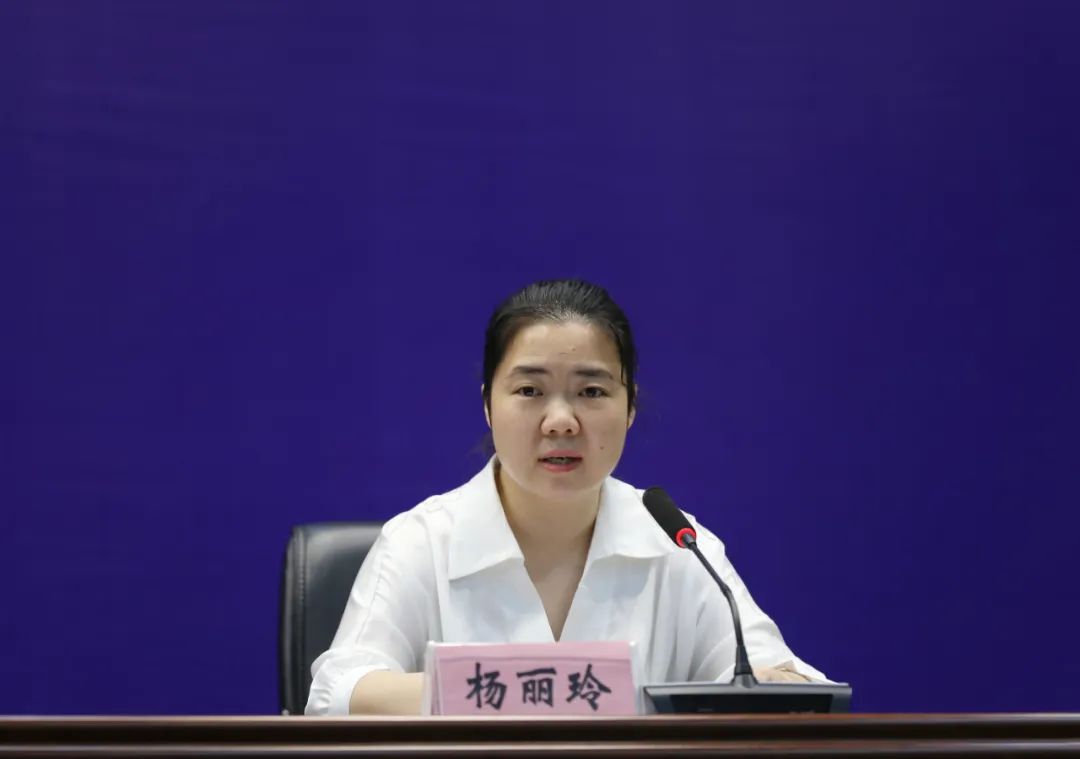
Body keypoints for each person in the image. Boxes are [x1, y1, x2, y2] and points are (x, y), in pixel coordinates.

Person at [306, 279, 827, 715]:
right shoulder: (421, 542)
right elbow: (336, 694)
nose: (560, 421)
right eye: (529, 391)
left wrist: (776, 683)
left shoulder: (679, 546)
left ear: (630, 408)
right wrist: (506, 691)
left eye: (592, 392)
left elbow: (787, 685)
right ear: (488, 405)